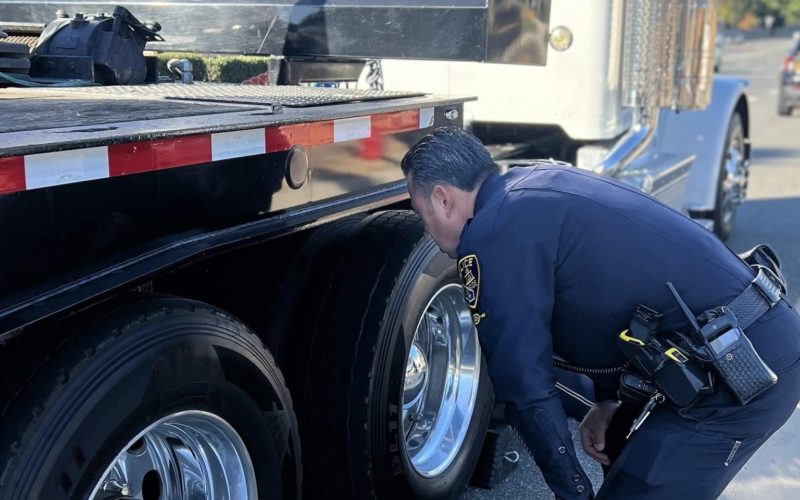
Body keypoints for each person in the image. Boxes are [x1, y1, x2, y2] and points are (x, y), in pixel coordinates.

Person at [401, 126, 800, 499]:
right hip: (737, 346)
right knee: (630, 472)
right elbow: (616, 297)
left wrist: (571, 487)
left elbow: (523, 382)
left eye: (422, 213)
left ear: (443, 197)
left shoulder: (493, 233)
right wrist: (605, 403)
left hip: (742, 372)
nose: (427, 229)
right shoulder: (533, 186)